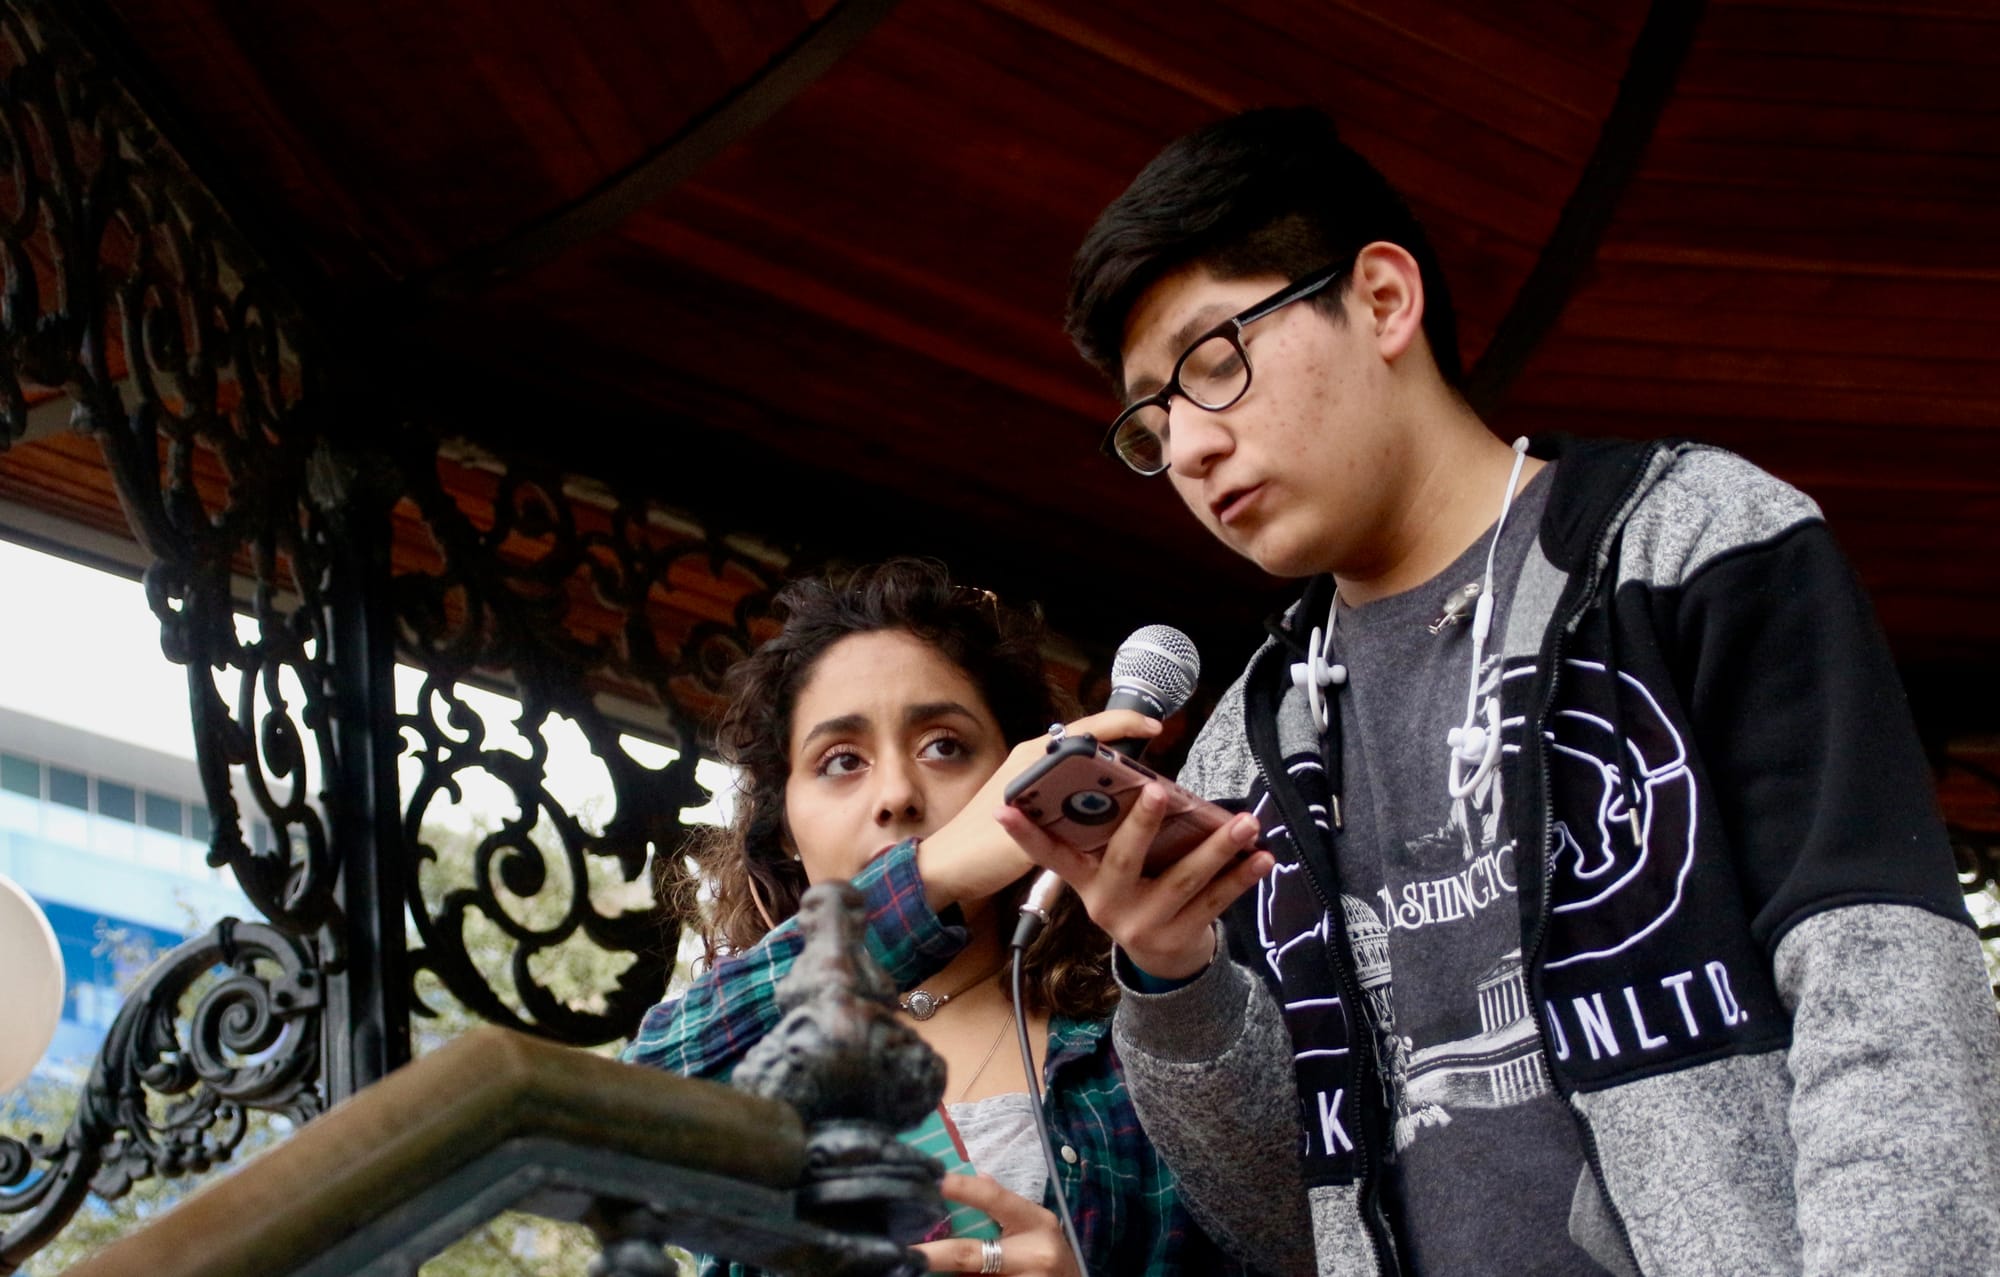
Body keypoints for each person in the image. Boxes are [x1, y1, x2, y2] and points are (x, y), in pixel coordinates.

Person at [995, 106, 2000, 1276]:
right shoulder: (1242, 753)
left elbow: (1883, 997)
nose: (1187, 447)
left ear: (1381, 300)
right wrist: (1173, 978)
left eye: (1213, 364)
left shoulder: (1688, 545)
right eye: (1149, 422)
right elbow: (1294, 1222)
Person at [622, 559, 1243, 1276]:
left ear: (1016, 775)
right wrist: (929, 871)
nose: (896, 793)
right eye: (841, 760)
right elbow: (623, 1116)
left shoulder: (1147, 1041)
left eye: (944, 746)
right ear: (784, 824)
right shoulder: (745, 1047)